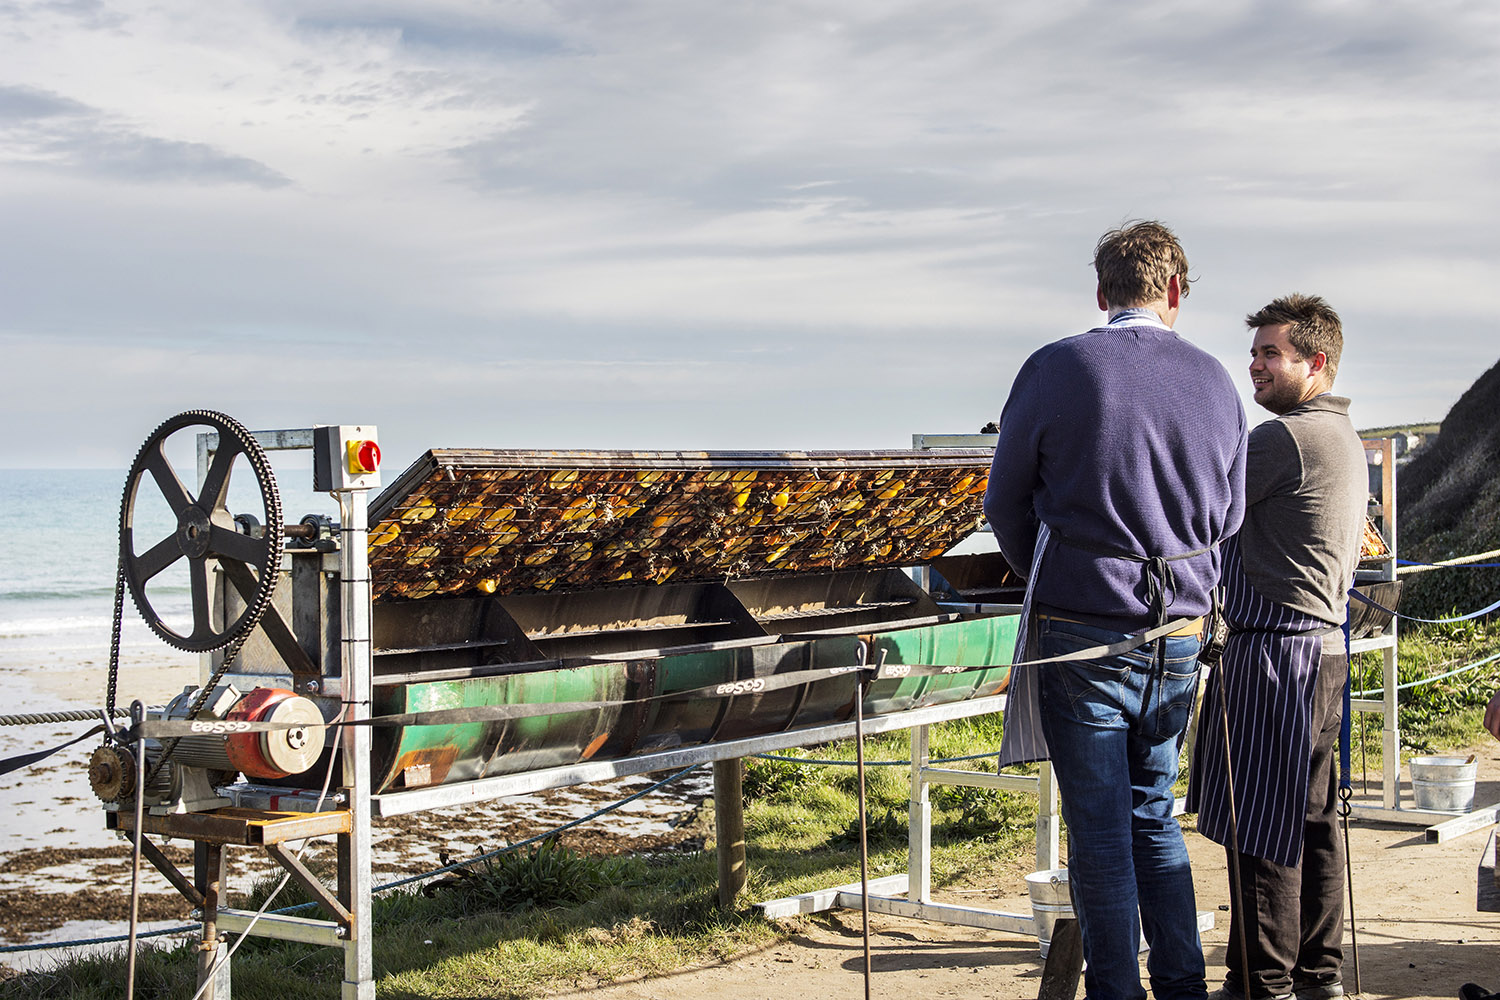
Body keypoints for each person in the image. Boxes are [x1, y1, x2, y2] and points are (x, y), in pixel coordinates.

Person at [984, 220, 1247, 1000]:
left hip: (1084, 626)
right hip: (1179, 632)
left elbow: (1005, 501)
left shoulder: (1056, 366)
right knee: (1152, 815)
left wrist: (1056, 568)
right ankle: (1181, 983)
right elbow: (1228, 517)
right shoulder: (1216, 380)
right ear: (1174, 291)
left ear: (1101, 293)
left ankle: (1117, 994)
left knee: (1098, 831)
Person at [1187, 294, 1367, 1000]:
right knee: (1313, 826)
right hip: (1320, 652)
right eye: (1255, 351)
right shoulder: (1341, 433)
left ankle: (1263, 988)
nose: (1255, 365)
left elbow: (1196, 508)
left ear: (1315, 363)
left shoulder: (1285, 439)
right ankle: (1316, 978)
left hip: (1276, 656)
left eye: (1271, 354)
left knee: (1262, 836)